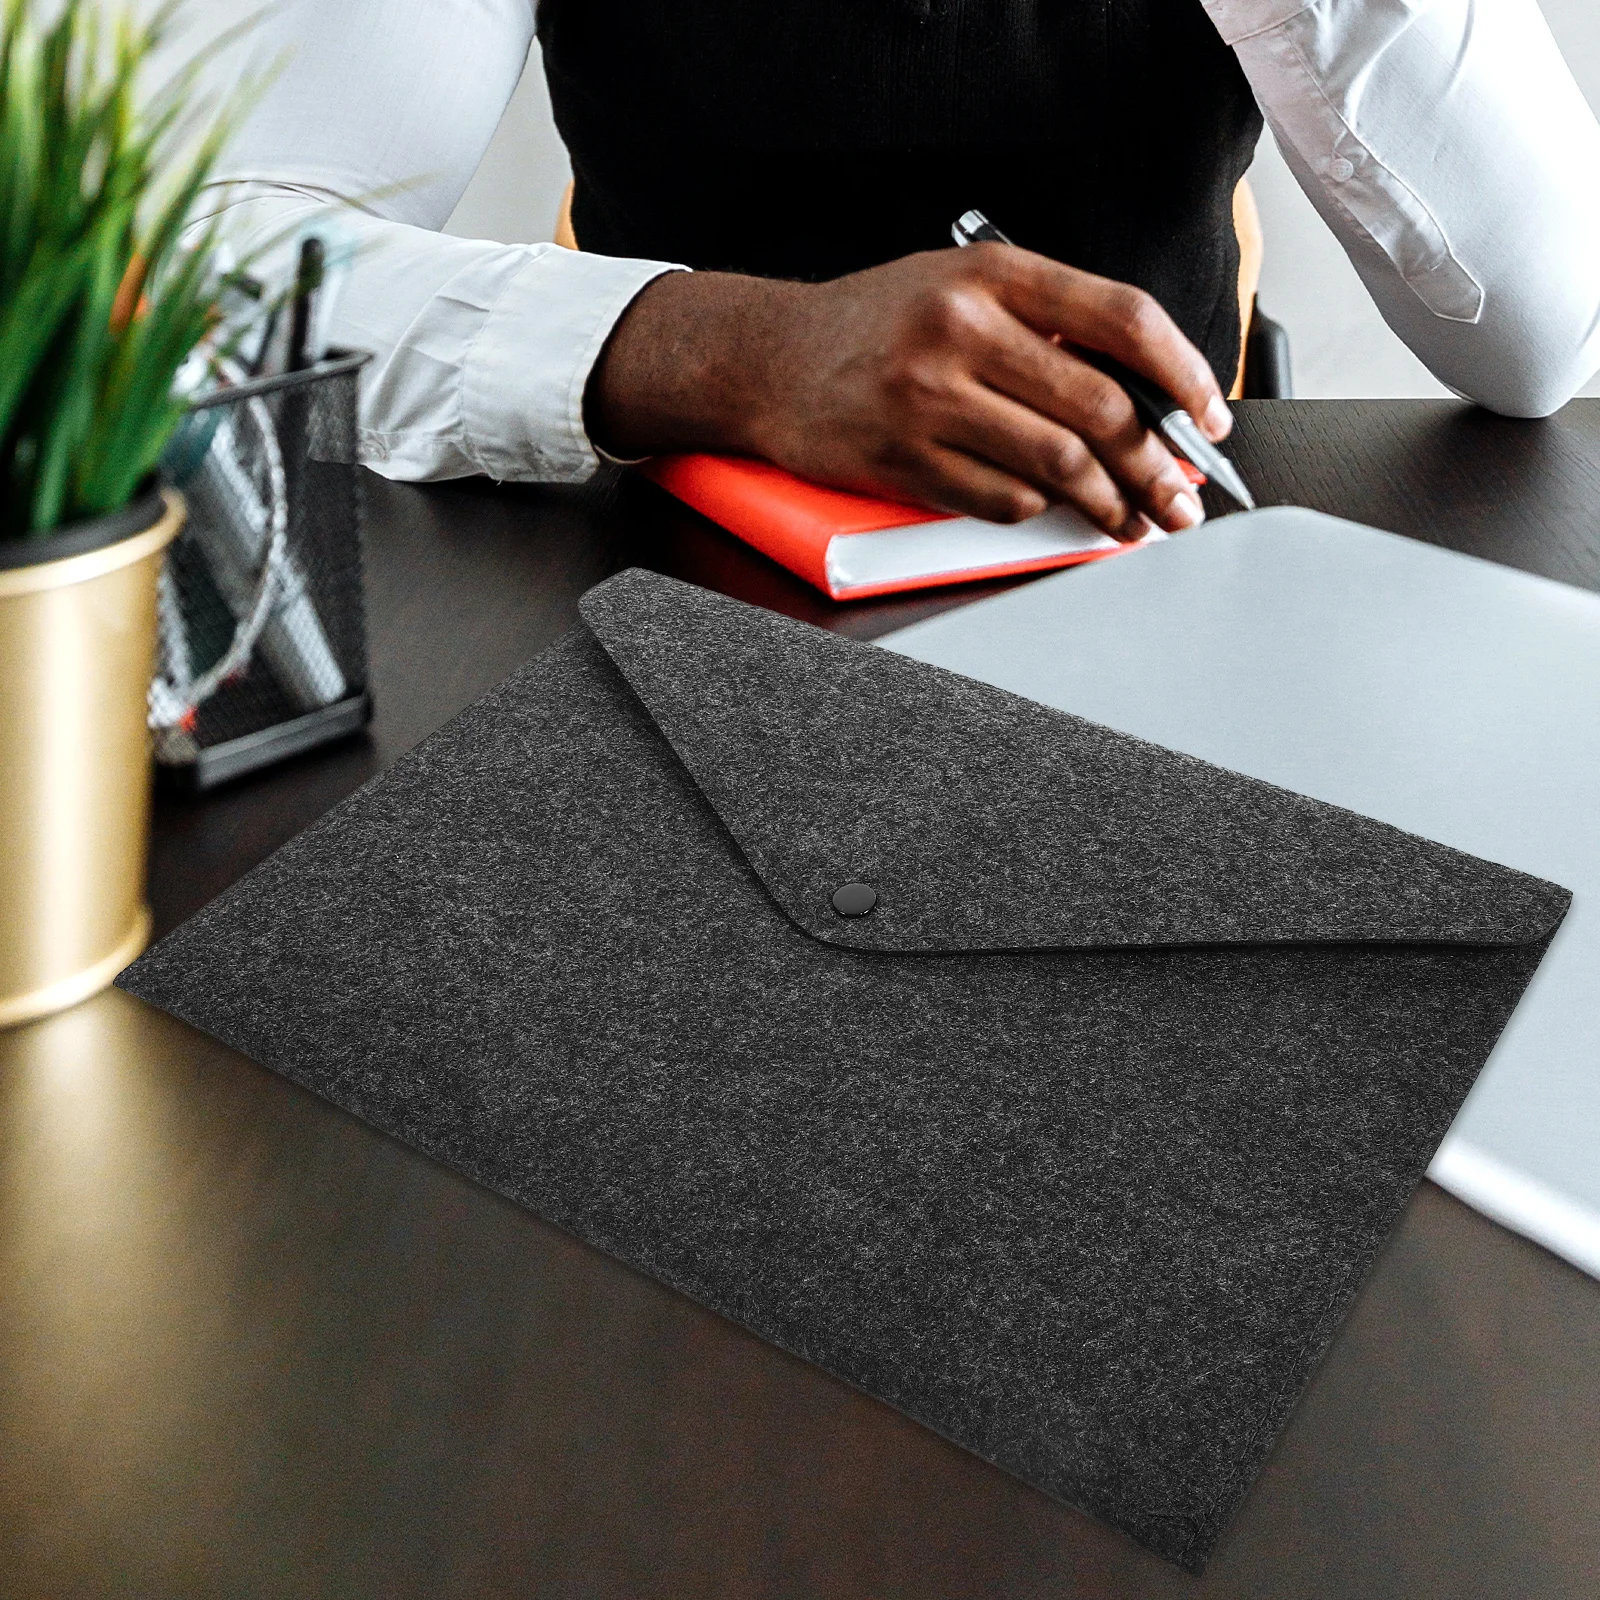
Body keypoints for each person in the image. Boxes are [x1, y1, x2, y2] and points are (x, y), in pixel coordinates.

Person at [206, 0, 1600, 543]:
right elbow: (219, 263)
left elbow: (1546, 332)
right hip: (651, 568)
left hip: (1174, 543)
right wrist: (725, 353)